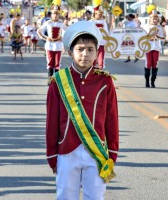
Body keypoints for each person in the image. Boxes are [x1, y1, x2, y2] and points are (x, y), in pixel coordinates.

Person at [46, 20, 119, 199]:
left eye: (90, 50)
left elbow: (112, 119)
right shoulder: (59, 81)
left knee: (95, 196)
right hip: (65, 150)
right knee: (65, 195)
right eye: (80, 49)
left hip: (97, 152)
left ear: (97, 53)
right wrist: (52, 155)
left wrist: (113, 153)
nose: (85, 54)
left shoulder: (105, 81)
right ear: (70, 52)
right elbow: (52, 121)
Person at [38, 1, 66, 85]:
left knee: (57, 63)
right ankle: (49, 79)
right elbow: (39, 30)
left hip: (58, 45)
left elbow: (67, 32)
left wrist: (62, 37)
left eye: (57, 14)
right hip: (50, 45)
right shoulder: (48, 23)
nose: (55, 15)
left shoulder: (61, 23)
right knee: (50, 62)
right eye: (54, 13)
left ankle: (57, 80)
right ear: (51, 15)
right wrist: (45, 37)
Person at [144, 4, 165, 88]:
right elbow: (142, 37)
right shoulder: (146, 27)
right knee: (148, 64)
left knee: (155, 65)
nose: (155, 20)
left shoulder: (160, 28)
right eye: (153, 18)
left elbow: (163, 38)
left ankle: (152, 81)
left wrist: (158, 37)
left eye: (156, 18)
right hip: (148, 48)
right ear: (150, 19)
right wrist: (149, 37)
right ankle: (147, 81)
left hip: (156, 47)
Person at [91, 3, 109, 69]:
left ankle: (100, 77)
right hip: (93, 44)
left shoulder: (104, 22)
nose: (100, 15)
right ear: (95, 14)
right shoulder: (91, 22)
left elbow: (106, 32)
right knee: (92, 62)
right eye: (99, 14)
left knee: (101, 62)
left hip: (101, 44)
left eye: (101, 14)